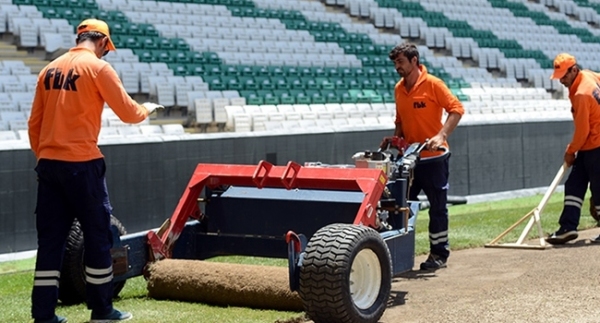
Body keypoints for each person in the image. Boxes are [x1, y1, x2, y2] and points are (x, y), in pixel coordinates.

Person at [28, 18, 164, 323]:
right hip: (83, 166)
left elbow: (33, 125)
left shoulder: (48, 69)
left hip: (49, 167)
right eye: (107, 48)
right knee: (98, 236)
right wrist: (147, 109)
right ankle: (102, 310)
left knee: (50, 242)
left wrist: (46, 157)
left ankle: (43, 314)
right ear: (102, 42)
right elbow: (128, 113)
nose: (106, 53)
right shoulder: (98, 68)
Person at [380, 43, 464, 270]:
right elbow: (400, 120)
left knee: (438, 207)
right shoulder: (399, 89)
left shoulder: (434, 84)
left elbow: (457, 109)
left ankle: (439, 255)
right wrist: (395, 139)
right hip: (409, 160)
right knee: (399, 206)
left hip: (434, 159)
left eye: (401, 62)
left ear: (414, 60)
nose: (397, 67)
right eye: (395, 63)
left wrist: (441, 135)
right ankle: (396, 257)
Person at [545, 53, 600, 245]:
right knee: (574, 185)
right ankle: (568, 227)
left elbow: (582, 130)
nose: (561, 80)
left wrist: (570, 150)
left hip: (596, 145)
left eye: (564, 76)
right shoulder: (589, 76)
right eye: (559, 76)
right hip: (589, 145)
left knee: (599, 189)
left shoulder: (581, 94)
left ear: (574, 70)